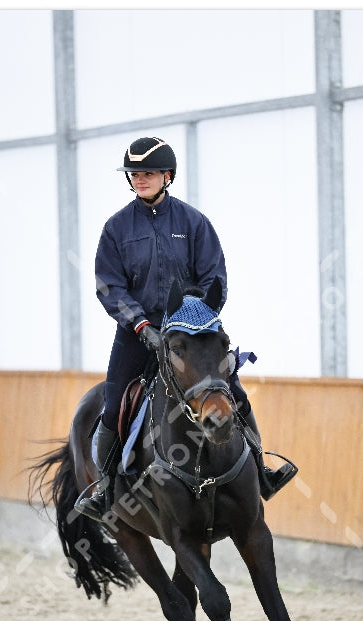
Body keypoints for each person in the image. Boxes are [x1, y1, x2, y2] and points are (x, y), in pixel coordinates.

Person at [75, 137, 297, 518]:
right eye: (134, 174)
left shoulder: (195, 223)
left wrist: (197, 316)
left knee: (233, 393)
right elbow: (109, 285)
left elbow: (216, 277)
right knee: (112, 409)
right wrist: (141, 325)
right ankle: (105, 489)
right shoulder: (116, 229)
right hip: (137, 334)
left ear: (167, 176)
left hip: (192, 334)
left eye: (147, 173)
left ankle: (261, 473)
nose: (139, 179)